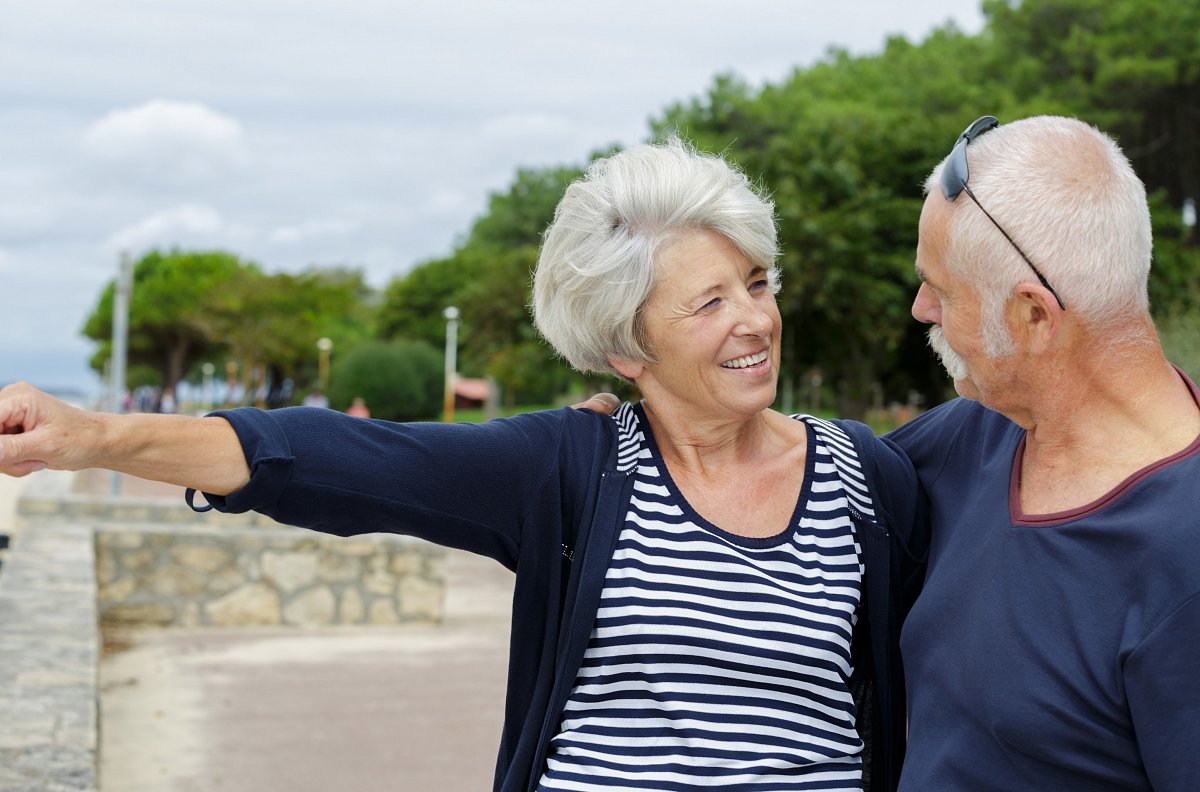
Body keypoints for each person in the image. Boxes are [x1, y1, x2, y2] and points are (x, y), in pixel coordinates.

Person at [0, 140, 925, 791]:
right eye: (710, 302)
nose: (755, 320)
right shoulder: (572, 472)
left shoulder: (866, 481)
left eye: (757, 283)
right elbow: (330, 457)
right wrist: (91, 437)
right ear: (624, 348)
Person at [888, 115, 1200, 790]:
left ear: (1032, 315)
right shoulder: (974, 434)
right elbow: (784, 471)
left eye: (942, 290)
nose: (920, 308)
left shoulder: (1185, 561)